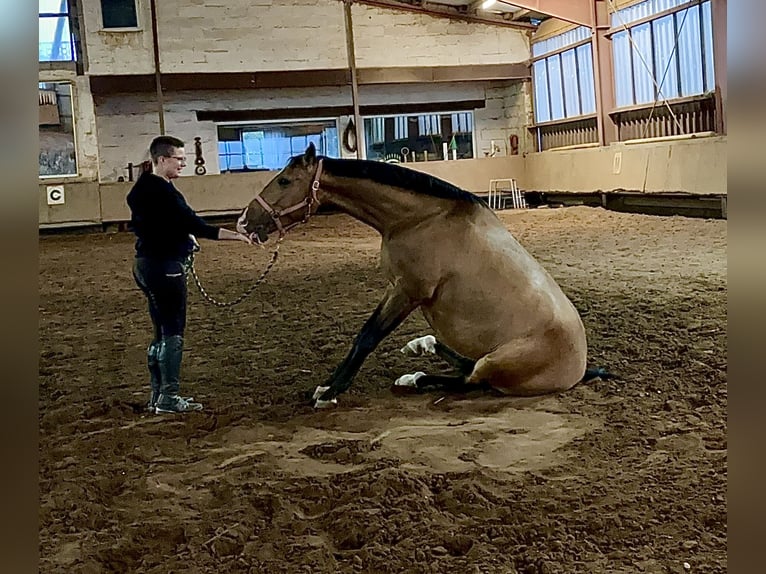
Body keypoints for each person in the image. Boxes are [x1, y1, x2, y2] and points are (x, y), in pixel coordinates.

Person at [127, 135, 252, 414]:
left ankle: (158, 395)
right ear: (161, 160)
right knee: (173, 328)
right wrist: (236, 236)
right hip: (166, 266)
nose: (183, 163)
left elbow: (166, 224)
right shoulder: (164, 192)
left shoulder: (143, 189)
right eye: (178, 159)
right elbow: (194, 223)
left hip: (145, 264)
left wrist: (184, 236)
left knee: (159, 330)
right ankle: (169, 398)